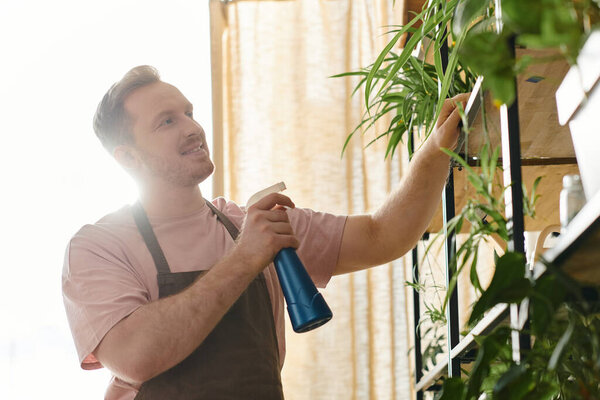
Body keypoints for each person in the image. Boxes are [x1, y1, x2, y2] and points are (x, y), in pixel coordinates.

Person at [62, 65, 468, 400]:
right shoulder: (98, 248)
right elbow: (135, 354)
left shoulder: (251, 224)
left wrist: (435, 149)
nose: (192, 128)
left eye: (189, 112)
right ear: (129, 157)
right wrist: (245, 257)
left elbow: (384, 235)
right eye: (167, 121)